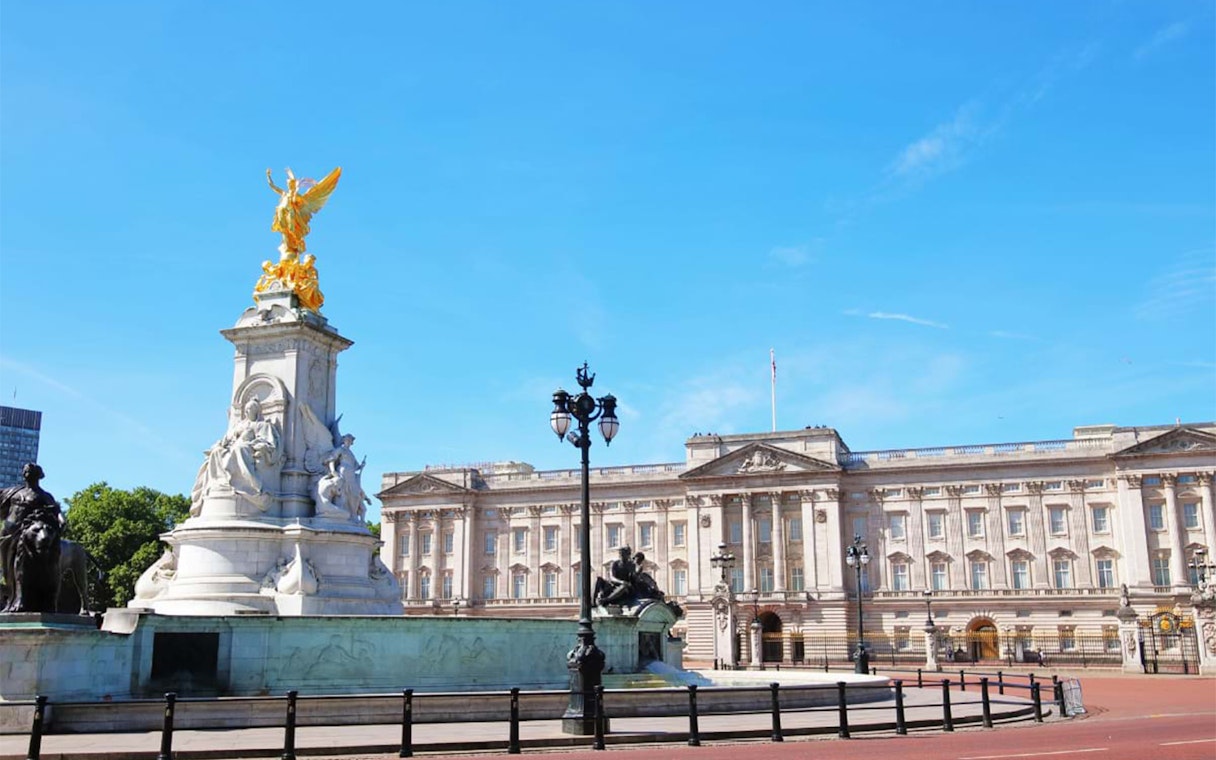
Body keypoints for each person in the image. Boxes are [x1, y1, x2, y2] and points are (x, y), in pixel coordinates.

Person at [191, 398, 282, 515]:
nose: (247, 411)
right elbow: (228, 439)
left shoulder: (262, 425)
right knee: (217, 452)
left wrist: (253, 443)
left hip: (248, 447)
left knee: (239, 449)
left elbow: (268, 442)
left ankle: (251, 486)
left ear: (256, 411)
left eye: (250, 409)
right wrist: (222, 444)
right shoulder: (240, 425)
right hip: (234, 446)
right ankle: (220, 484)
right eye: (247, 409)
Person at [0, 463, 63, 611]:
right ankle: (11, 596)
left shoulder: (44, 496)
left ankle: (23, 598)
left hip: (27, 533)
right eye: (26, 471)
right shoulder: (12, 492)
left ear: (38, 476)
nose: (28, 473)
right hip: (7, 535)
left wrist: (61, 521)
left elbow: (56, 512)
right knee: (6, 567)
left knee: (21, 564)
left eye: (31, 472)